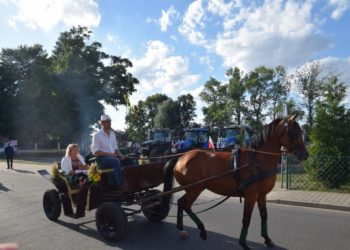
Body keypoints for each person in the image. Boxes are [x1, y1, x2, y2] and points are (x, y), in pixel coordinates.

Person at [91, 114, 126, 190]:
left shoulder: (112, 134)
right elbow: (96, 152)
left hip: (112, 157)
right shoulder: (97, 135)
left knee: (129, 161)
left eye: (110, 121)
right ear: (102, 123)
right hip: (101, 159)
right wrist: (111, 154)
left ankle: (133, 182)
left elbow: (115, 147)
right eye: (107, 121)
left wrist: (120, 155)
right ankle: (119, 185)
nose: (110, 123)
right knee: (115, 161)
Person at [61, 144, 89, 218]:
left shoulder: (80, 157)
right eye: (74, 150)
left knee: (92, 178)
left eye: (77, 149)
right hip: (71, 176)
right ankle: (80, 198)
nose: (76, 151)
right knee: (83, 179)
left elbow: (84, 166)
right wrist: (73, 172)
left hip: (81, 173)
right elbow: (64, 171)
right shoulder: (66, 159)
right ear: (70, 151)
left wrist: (87, 167)